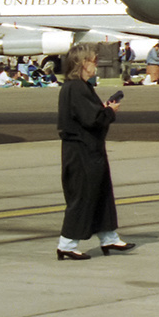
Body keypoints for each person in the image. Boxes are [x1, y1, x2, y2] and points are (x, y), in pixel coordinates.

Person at [56, 44, 134, 260]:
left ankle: (109, 237)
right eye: (93, 61)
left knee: (100, 193)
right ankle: (67, 244)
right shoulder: (76, 88)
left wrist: (104, 109)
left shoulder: (79, 86)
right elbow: (92, 119)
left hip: (88, 148)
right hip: (81, 149)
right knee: (82, 195)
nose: (96, 65)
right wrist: (109, 111)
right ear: (83, 63)